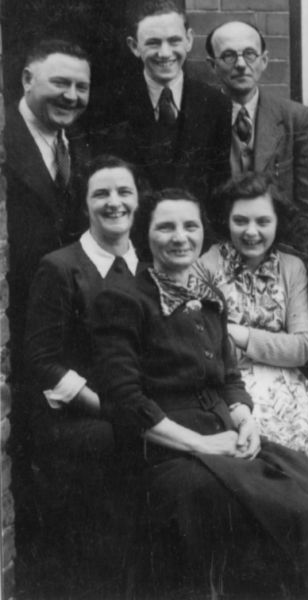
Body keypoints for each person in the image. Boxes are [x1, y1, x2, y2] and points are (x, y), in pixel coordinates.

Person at [90, 188, 308, 597]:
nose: (180, 237)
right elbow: (126, 402)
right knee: (265, 510)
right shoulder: (122, 299)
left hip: (221, 435)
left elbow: (229, 379)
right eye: (166, 227)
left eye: (190, 226)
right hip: (163, 449)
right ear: (144, 233)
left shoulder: (209, 296)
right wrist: (203, 445)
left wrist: (245, 420)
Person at [22, 155, 141, 595]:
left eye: (124, 192)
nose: (114, 203)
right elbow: (42, 360)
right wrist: (106, 408)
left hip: (136, 410)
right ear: (85, 203)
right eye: (101, 194)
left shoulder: (147, 267)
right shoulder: (60, 267)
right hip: (82, 418)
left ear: (138, 200)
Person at [3, 38, 92, 586]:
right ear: (26, 80)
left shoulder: (72, 141)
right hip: (16, 322)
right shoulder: (6, 140)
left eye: (81, 87)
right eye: (60, 83)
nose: (72, 96)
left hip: (63, 324)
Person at [200, 172, 308, 474]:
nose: (251, 232)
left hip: (286, 384)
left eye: (263, 221)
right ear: (226, 220)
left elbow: (301, 348)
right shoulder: (207, 264)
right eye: (240, 221)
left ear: (278, 223)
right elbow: (207, 344)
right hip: (230, 385)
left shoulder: (291, 267)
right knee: (253, 454)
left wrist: (238, 334)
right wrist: (272, 344)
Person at [93, 0, 231, 217]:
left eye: (174, 41)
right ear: (134, 46)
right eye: (153, 43)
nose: (165, 53)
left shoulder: (216, 105)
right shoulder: (109, 105)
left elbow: (220, 186)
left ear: (189, 40)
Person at [206, 20, 308, 252]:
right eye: (229, 56)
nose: (241, 64)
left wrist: (303, 258)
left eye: (250, 54)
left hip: (282, 250)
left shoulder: (294, 118)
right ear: (212, 65)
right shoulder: (202, 117)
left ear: (264, 60)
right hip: (218, 252)